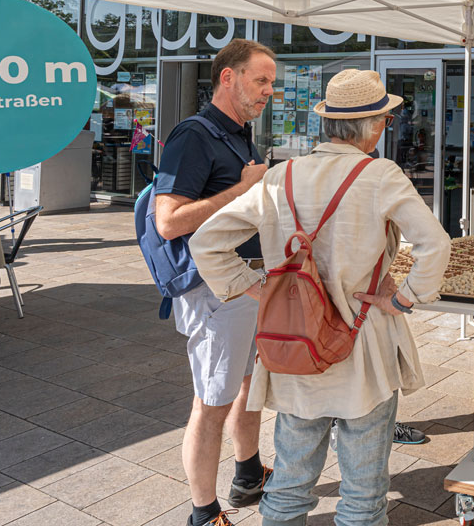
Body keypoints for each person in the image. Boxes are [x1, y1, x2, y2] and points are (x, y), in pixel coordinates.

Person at [190, 69, 451, 526]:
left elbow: (206, 242)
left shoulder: (280, 176)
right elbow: (435, 244)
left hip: (294, 345)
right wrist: (406, 299)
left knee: (289, 486)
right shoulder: (380, 175)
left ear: (329, 123)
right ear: (376, 125)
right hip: (362, 343)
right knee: (363, 495)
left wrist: (254, 287)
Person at [153, 39, 277, 526]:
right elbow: (170, 221)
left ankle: (247, 473)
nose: (269, 90)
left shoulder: (240, 134)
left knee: (247, 383)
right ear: (228, 77)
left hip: (246, 285)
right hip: (215, 292)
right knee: (211, 402)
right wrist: (244, 188)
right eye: (260, 79)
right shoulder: (193, 136)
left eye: (271, 82)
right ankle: (203, 512)